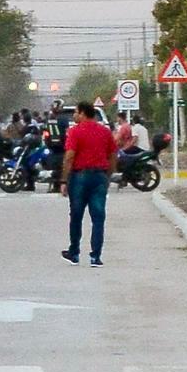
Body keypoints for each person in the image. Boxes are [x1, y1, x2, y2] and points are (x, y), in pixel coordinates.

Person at [57, 97, 117, 265]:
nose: (74, 115)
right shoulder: (105, 131)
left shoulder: (75, 132)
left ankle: (74, 252)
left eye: (76, 112)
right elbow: (113, 155)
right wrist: (108, 176)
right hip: (99, 177)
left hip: (80, 177)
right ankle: (95, 256)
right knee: (98, 217)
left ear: (83, 113)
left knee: (76, 215)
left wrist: (63, 180)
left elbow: (69, 157)